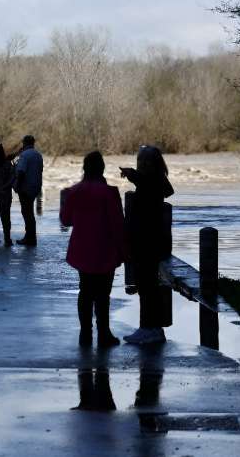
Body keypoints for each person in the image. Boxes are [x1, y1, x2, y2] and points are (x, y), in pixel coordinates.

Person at [60, 151, 125, 347]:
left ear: (84, 168)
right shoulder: (109, 193)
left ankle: (85, 333)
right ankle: (104, 334)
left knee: (85, 292)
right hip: (105, 249)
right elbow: (117, 224)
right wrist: (123, 251)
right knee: (103, 294)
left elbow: (66, 220)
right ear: (102, 168)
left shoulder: (75, 191)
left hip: (82, 248)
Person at [120, 145, 174, 345]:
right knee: (146, 286)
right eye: (139, 160)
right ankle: (152, 327)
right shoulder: (155, 179)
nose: (141, 163)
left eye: (145, 160)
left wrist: (132, 174)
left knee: (147, 286)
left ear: (154, 162)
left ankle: (148, 328)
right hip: (149, 240)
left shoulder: (153, 180)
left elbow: (148, 184)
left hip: (148, 241)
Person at [13, 135, 43, 246]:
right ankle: (30, 237)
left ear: (24, 143)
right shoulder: (38, 155)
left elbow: (21, 171)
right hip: (35, 187)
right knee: (29, 213)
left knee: (27, 213)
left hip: (25, 188)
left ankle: (30, 238)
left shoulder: (25, 155)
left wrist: (16, 184)